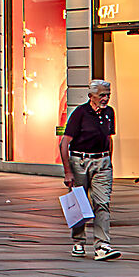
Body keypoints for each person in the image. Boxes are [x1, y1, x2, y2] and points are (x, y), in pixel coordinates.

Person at [57, 79, 118, 260]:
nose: (105, 98)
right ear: (91, 96)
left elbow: (109, 138)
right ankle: (78, 241)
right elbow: (64, 143)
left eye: (108, 95)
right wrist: (68, 171)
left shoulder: (109, 112)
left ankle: (102, 245)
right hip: (80, 162)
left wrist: (109, 161)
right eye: (102, 95)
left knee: (102, 203)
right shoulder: (80, 113)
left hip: (102, 162)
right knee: (79, 202)